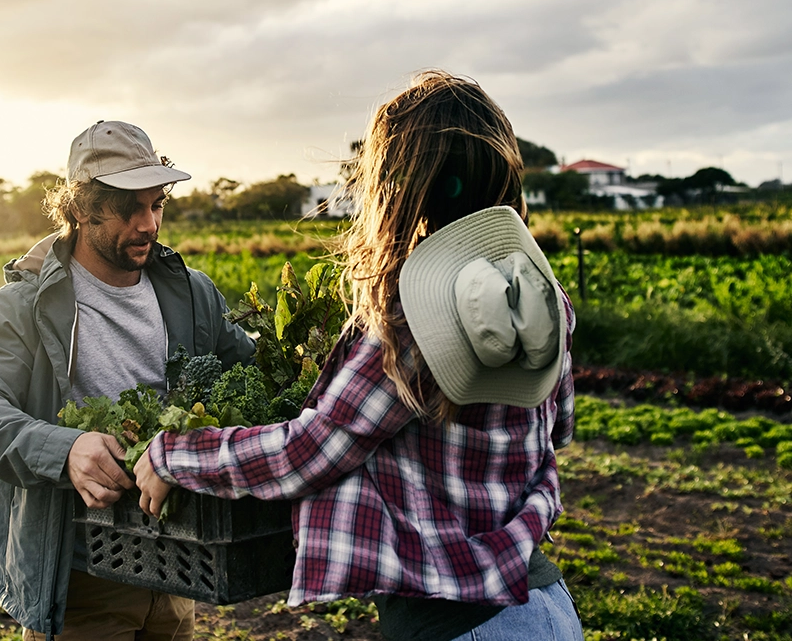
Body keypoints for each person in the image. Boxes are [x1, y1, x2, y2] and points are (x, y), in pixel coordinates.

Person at [134, 71, 584, 640]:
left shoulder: (415, 316)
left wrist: (175, 455)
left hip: (459, 623)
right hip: (543, 606)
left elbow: (308, 453)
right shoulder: (542, 297)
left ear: (398, 185)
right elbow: (557, 431)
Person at [0, 120, 256, 641]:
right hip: (81, 577)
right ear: (78, 208)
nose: (148, 223)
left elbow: (255, 384)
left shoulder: (194, 294)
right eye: (128, 207)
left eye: (157, 204)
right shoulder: (24, 305)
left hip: (179, 566)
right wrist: (65, 449)